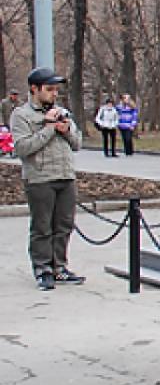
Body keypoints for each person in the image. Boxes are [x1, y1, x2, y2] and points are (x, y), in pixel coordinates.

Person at [11, 67, 84, 290]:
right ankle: (43, 269)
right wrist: (49, 128)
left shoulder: (62, 111)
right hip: (40, 178)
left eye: (56, 89)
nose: (54, 94)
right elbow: (22, 148)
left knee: (64, 225)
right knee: (42, 227)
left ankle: (59, 267)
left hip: (65, 175)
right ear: (34, 89)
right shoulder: (21, 115)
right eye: (49, 89)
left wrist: (66, 130)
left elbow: (77, 144)